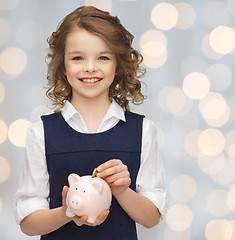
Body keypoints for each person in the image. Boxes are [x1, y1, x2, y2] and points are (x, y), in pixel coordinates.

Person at [14, 5, 167, 240]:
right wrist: (66, 212)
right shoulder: (41, 134)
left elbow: (151, 218)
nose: (90, 67)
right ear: (63, 66)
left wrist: (122, 191)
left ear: (118, 64)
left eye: (103, 57)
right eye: (78, 58)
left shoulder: (143, 131)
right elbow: (28, 223)